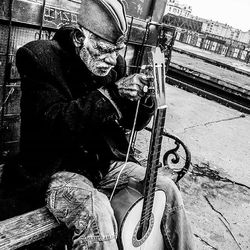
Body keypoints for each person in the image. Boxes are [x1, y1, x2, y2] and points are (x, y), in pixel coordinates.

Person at [2, 0, 194, 249]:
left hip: (104, 165)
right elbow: (53, 126)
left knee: (166, 189)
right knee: (98, 212)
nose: (113, 60)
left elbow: (131, 122)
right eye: (104, 50)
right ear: (81, 38)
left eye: (117, 50)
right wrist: (112, 95)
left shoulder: (116, 67)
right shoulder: (39, 57)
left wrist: (145, 100)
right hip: (56, 170)